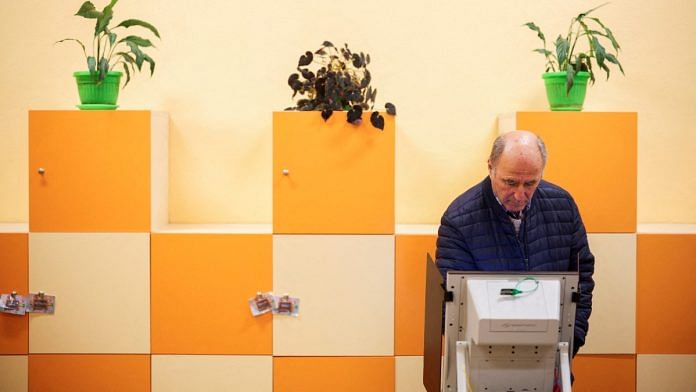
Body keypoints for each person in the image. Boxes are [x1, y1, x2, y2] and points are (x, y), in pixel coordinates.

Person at [436, 130, 595, 357]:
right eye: (510, 182)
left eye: (530, 183)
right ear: (491, 167)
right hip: (483, 362)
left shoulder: (563, 206)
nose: (520, 195)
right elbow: (452, 306)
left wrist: (572, 340)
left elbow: (582, 278)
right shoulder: (459, 221)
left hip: (554, 358)